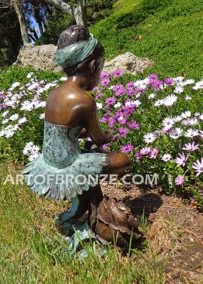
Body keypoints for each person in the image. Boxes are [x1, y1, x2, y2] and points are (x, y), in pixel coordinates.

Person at [23, 25, 141, 247]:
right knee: (123, 160)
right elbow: (99, 139)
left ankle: (85, 209)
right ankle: (94, 217)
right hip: (69, 166)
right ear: (93, 65)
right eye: (102, 68)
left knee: (95, 158)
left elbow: (65, 131)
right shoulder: (84, 100)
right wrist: (113, 135)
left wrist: (86, 133)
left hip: (48, 164)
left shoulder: (55, 94)